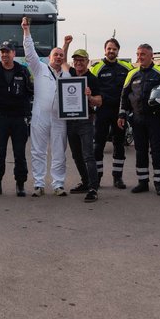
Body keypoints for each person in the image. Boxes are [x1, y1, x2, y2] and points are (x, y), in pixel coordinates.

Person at [118, 44, 160, 195]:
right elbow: (124, 96)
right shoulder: (132, 74)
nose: (140, 57)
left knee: (157, 151)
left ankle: (159, 183)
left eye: (143, 54)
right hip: (137, 119)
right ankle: (143, 182)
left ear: (151, 56)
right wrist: (121, 114)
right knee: (140, 151)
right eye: (138, 54)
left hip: (156, 119)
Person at [21, 16, 69, 197]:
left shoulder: (66, 74)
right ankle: (39, 183)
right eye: (55, 54)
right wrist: (26, 31)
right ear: (49, 57)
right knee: (38, 151)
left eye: (61, 55)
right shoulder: (39, 68)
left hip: (59, 118)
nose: (58, 57)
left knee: (59, 152)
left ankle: (58, 184)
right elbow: (29, 52)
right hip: (41, 116)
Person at [0, 41, 32, 197]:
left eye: (8, 51)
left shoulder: (23, 71)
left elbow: (31, 92)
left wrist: (28, 114)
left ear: (14, 53)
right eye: (2, 52)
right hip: (0, 118)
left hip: (19, 118)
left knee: (19, 153)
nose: (4, 54)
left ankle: (20, 184)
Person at [61, 36, 102, 203]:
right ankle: (85, 182)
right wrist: (66, 44)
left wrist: (89, 97)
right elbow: (63, 60)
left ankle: (93, 187)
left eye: (81, 60)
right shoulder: (70, 73)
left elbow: (99, 101)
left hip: (86, 121)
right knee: (76, 156)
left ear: (87, 61)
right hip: (71, 121)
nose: (78, 63)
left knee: (88, 155)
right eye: (76, 60)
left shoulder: (92, 79)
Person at [90, 39, 133, 189]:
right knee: (98, 145)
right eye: (109, 48)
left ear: (118, 51)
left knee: (119, 144)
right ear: (104, 50)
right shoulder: (97, 68)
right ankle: (98, 177)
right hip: (102, 111)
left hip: (120, 112)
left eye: (114, 49)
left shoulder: (126, 67)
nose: (111, 51)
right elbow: (88, 84)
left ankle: (118, 177)